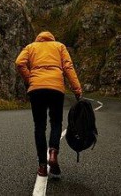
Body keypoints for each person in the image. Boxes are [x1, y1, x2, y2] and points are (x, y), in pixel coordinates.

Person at [15, 31, 82, 178]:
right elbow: (68, 67)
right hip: (56, 89)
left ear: (38, 38)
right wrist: (76, 89)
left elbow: (19, 63)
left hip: (36, 89)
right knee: (56, 122)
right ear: (52, 37)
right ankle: (53, 153)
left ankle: (42, 167)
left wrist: (30, 79)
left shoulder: (30, 47)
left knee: (39, 126)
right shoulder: (59, 46)